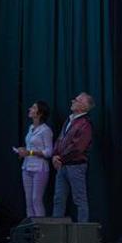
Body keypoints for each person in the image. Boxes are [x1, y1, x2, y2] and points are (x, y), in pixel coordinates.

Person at [52, 93, 95, 223]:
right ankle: (56, 231)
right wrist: (55, 155)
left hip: (76, 166)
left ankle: (82, 233)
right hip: (63, 166)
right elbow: (60, 139)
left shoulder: (85, 124)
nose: (72, 101)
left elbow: (77, 147)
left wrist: (60, 159)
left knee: (79, 200)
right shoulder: (69, 120)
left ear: (83, 106)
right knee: (58, 199)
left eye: (76, 100)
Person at [15, 101, 54, 218]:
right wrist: (23, 151)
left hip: (39, 169)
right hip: (27, 167)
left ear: (40, 113)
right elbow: (30, 147)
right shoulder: (31, 127)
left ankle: (41, 230)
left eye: (33, 108)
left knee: (36, 199)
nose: (30, 109)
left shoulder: (46, 130)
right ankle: (31, 230)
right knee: (28, 201)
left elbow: (49, 152)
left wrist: (30, 152)